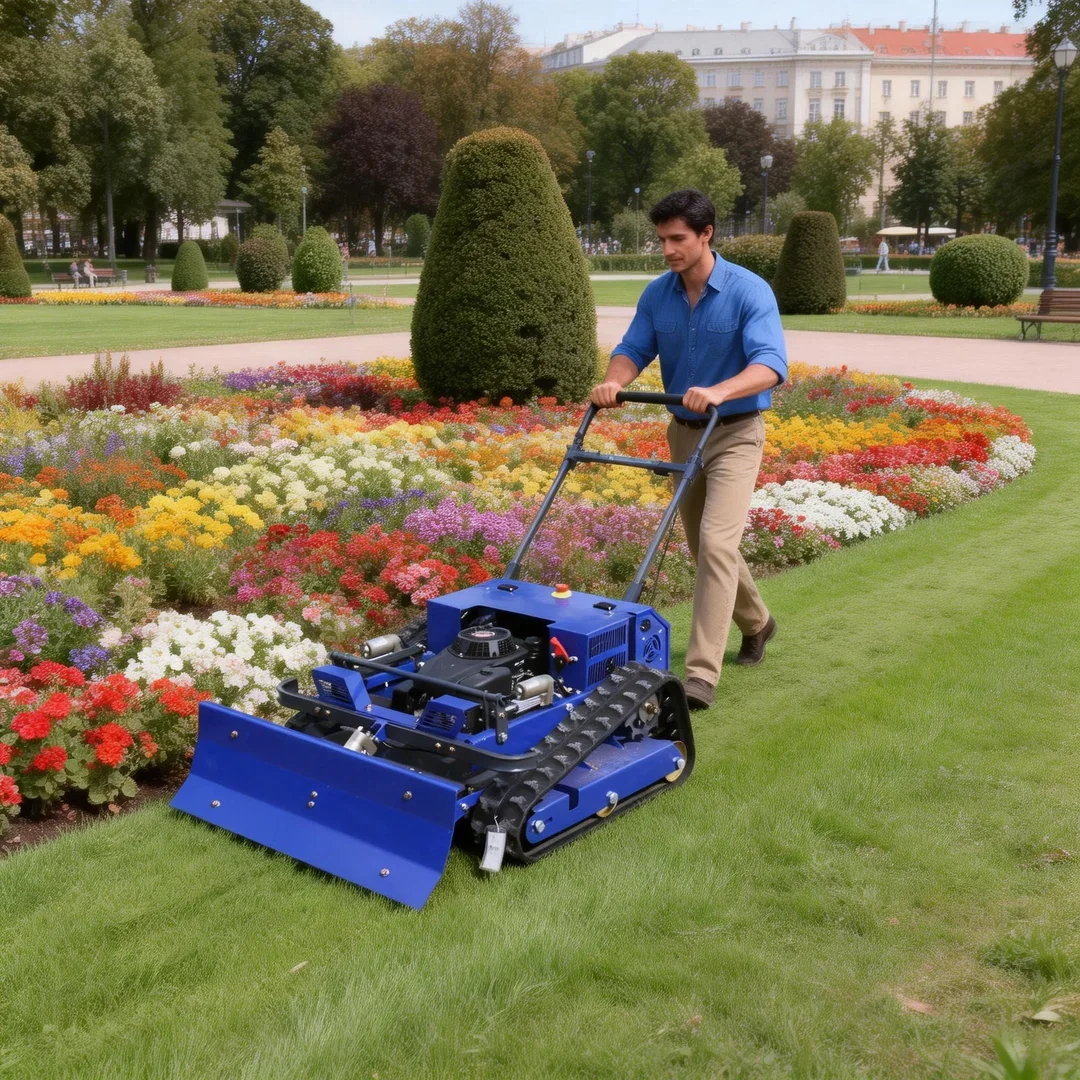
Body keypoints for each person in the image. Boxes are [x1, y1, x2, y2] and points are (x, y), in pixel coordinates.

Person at [590, 188, 787, 711]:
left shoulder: (750, 291)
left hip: (735, 431)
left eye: (678, 239)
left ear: (706, 234)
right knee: (704, 546)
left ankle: (701, 674)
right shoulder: (658, 294)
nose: (668, 250)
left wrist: (722, 389)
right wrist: (614, 381)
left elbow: (771, 363)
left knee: (717, 545)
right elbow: (633, 348)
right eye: (662, 240)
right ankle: (759, 623)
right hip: (683, 433)